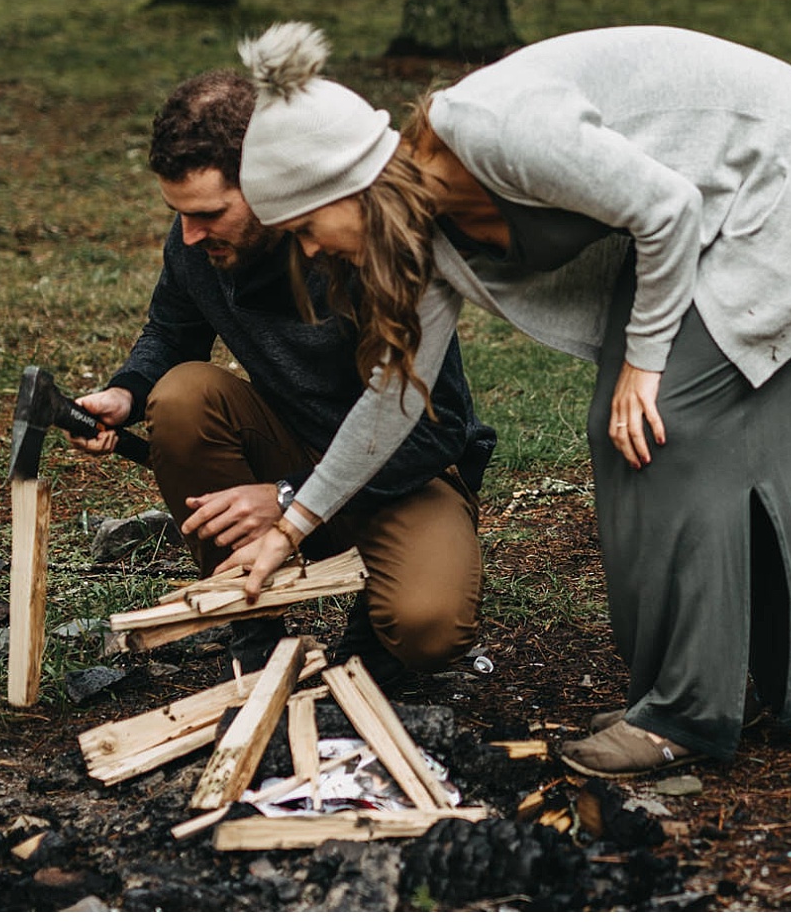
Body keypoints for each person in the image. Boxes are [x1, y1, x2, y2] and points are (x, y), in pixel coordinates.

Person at [218, 22, 791, 777]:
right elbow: (394, 399)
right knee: (629, 433)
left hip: (778, 173)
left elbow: (665, 207)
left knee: (667, 428)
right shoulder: (430, 230)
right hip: (705, 208)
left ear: (347, 186)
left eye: (305, 228)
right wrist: (294, 523)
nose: (309, 251)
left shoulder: (492, 132)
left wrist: (643, 361)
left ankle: (686, 715)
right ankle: (708, 689)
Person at [70, 68, 495, 681]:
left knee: (428, 628)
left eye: (210, 212)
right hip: (295, 440)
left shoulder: (357, 240)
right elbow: (172, 331)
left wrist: (290, 496)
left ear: (269, 181)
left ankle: (374, 623)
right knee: (183, 397)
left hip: (406, 468)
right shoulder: (197, 239)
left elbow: (435, 428)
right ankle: (253, 614)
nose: (190, 234)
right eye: (179, 214)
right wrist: (124, 392)